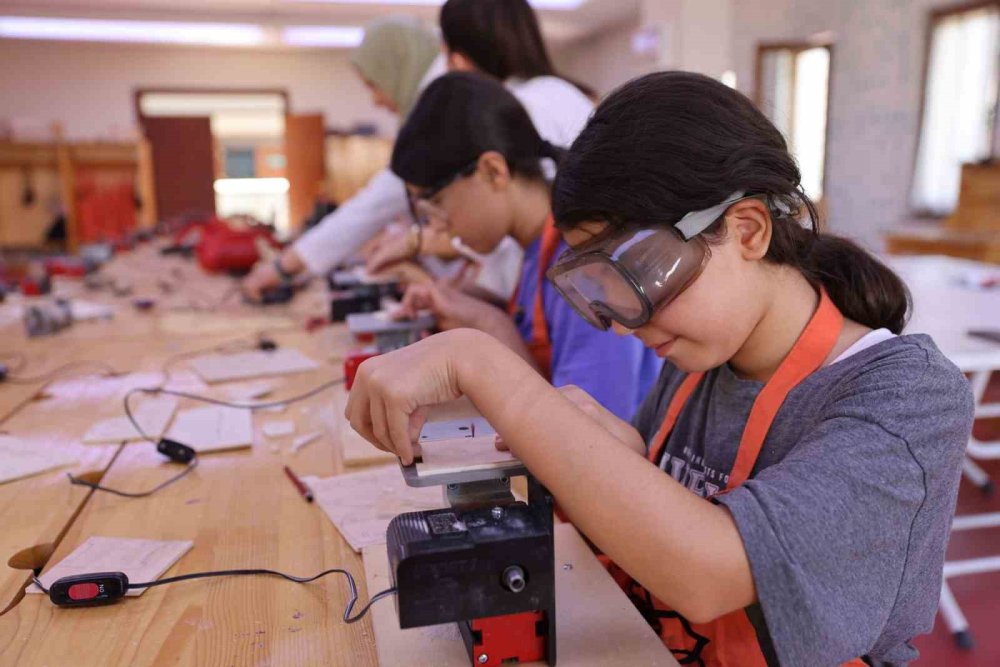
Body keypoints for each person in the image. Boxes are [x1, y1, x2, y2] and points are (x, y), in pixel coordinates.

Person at [345, 72, 974, 666]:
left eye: (641, 277)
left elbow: (710, 572)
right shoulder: (701, 357)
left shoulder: (908, 398)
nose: (626, 321)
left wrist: (480, 362)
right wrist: (622, 455)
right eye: (603, 289)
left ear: (748, 228)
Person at [243, 1, 593, 301]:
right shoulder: (555, 92)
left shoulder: (511, 111)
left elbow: (376, 206)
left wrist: (420, 246)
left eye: (450, 57)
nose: (376, 100)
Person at [390, 72, 658, 421]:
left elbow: (587, 435)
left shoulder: (586, 263)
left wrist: (487, 322)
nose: (437, 225)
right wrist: (475, 303)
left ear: (492, 171)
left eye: (435, 203)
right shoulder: (535, 251)